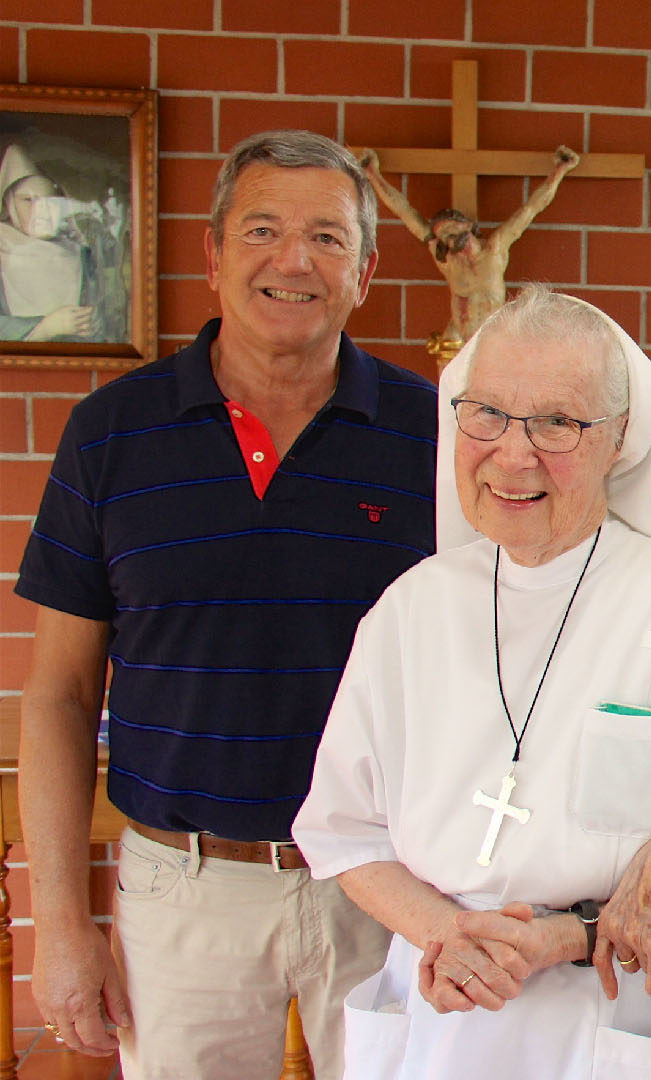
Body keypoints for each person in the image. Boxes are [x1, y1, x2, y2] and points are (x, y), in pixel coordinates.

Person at [291, 286, 651, 1077]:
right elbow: (342, 832)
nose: (514, 452)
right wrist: (448, 935)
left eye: (558, 423)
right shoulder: (410, 612)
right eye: (488, 414)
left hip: (619, 1008)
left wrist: (564, 937)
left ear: (620, 439)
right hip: (448, 1008)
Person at [13, 129, 435, 1079]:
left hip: (384, 886)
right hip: (183, 888)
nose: (294, 260)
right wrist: (62, 924)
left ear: (365, 271)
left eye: (327, 237)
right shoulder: (110, 435)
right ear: (212, 254)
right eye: (262, 230)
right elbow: (59, 697)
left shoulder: (435, 438)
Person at [360, 146, 579, 363]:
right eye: (443, 235)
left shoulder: (495, 248)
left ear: (466, 225)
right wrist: (373, 174)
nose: (447, 238)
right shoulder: (447, 259)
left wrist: (560, 170)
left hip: (493, 333)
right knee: (446, 394)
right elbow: (405, 212)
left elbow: (531, 209)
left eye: (450, 230)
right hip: (457, 336)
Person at [0, 144, 104, 342]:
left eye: (51, 201)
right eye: (28, 200)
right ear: (10, 205)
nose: (42, 211)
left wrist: (95, 321)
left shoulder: (81, 253)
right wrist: (46, 328)